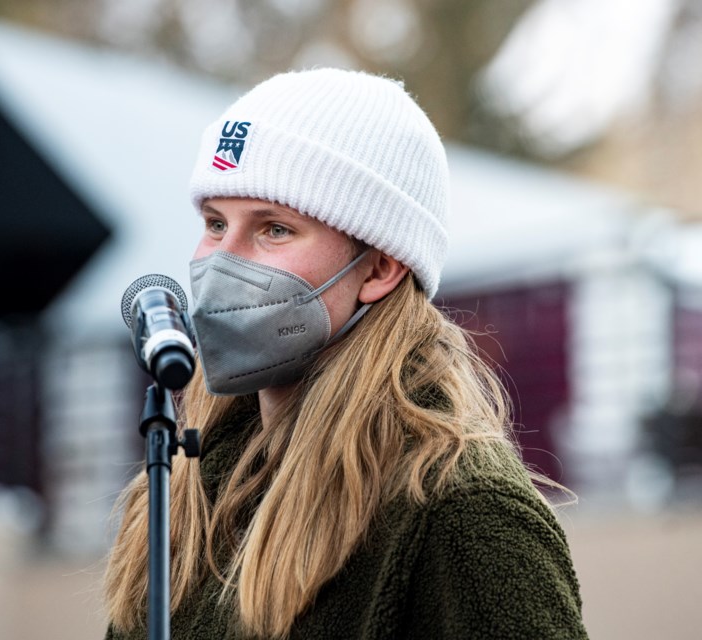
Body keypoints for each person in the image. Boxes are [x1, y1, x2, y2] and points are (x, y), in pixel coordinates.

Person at [104, 68, 588, 639]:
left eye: (275, 229)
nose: (219, 264)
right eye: (215, 223)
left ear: (380, 267)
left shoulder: (463, 514)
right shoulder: (181, 493)